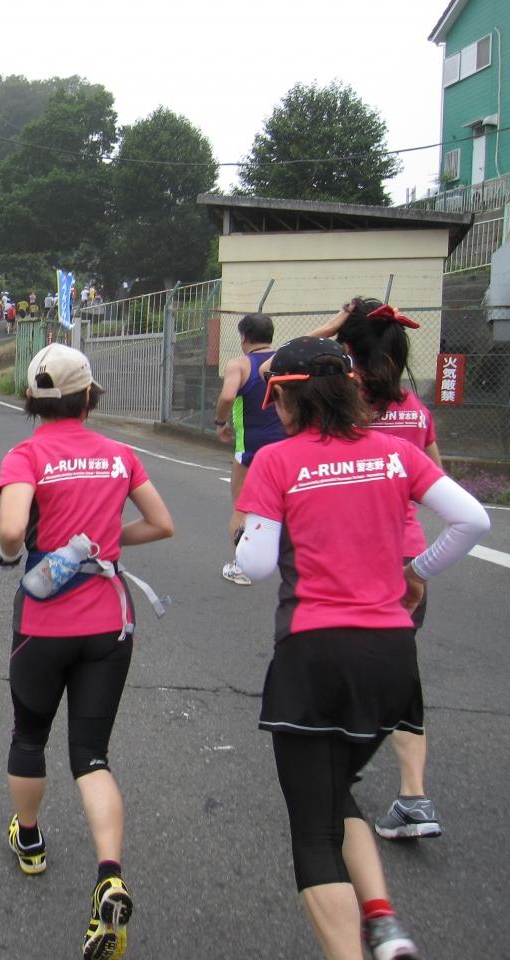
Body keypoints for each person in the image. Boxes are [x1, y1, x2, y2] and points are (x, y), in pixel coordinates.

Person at [232, 336, 488, 960]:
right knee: (335, 786)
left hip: (314, 654)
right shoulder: (397, 453)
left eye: (277, 399)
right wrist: (416, 570)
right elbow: (473, 520)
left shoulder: (276, 460)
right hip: (392, 657)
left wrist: (247, 535)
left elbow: (257, 565)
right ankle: (383, 921)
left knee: (314, 828)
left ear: (288, 397)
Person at [0, 343, 173, 960]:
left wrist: (15, 553)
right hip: (108, 624)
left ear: (31, 398)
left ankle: (31, 840)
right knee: (92, 755)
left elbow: (12, 532)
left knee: (29, 736)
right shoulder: (121, 454)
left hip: (44, 624)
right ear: (89, 396)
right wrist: (101, 544)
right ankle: (109, 878)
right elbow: (162, 523)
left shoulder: (26, 454)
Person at [308, 298, 447, 842]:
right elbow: (438, 481)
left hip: (346, 555)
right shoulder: (415, 409)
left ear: (347, 347)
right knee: (399, 671)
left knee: (334, 661)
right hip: (408, 555)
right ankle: (413, 796)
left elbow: (277, 366)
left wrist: (331, 325)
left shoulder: (340, 401)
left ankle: (336, 770)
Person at [214, 314, 285, 586]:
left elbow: (227, 396)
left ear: (243, 336)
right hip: (284, 443)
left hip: (251, 446)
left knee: (242, 506)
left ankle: (242, 566)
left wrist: (220, 422)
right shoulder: (282, 360)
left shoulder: (240, 364)